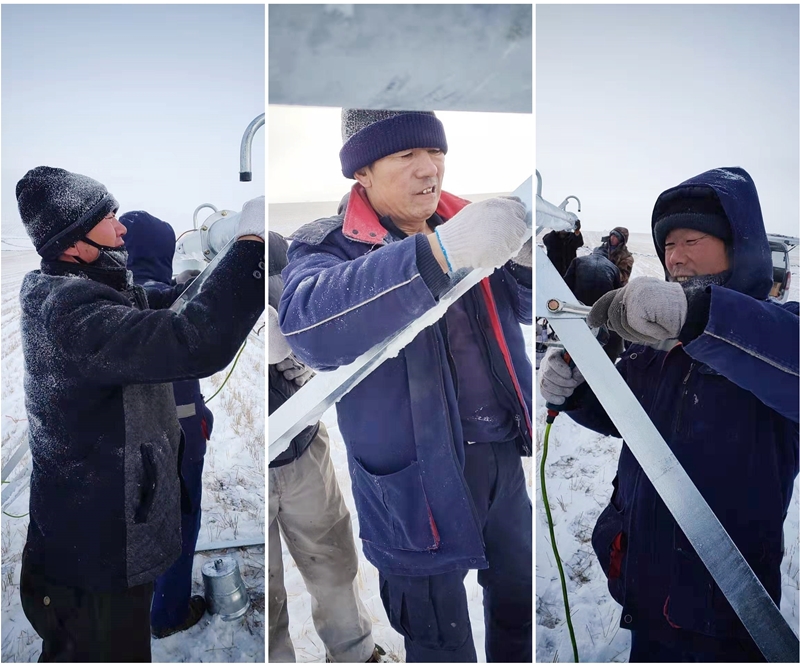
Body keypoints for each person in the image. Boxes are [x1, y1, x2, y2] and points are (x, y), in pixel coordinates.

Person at [279, 109, 533, 663]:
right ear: (362, 173)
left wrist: (538, 260)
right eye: (406, 156)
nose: (428, 170)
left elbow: (530, 307)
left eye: (435, 153)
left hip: (500, 460)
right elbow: (309, 328)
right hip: (410, 480)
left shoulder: (469, 218)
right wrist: (437, 257)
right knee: (436, 636)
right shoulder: (328, 243)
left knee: (518, 606)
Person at [539, 166, 799, 662]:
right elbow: (625, 418)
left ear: (740, 246)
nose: (675, 257)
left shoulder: (779, 331)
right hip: (642, 583)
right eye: (668, 246)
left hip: (723, 607)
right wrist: (575, 393)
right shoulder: (657, 347)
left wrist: (703, 316)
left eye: (692, 240)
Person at [16, 166, 264, 662]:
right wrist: (253, 248)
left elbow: (156, 306)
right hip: (95, 556)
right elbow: (190, 340)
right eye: (108, 217)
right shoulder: (71, 313)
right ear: (73, 243)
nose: (122, 226)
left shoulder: (75, 288)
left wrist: (208, 277)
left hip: (94, 535)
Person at [267, 230, 379, 663]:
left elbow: (328, 337)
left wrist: (305, 366)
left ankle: (356, 652)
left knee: (333, 560)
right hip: (266, 453)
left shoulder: (291, 268)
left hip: (302, 446)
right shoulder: (228, 283)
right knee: (271, 584)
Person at [121, 210, 214, 639]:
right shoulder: (170, 300)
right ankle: (169, 612)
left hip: (120, 439)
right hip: (174, 434)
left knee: (133, 519)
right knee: (179, 517)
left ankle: (133, 604)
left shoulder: (107, 297)